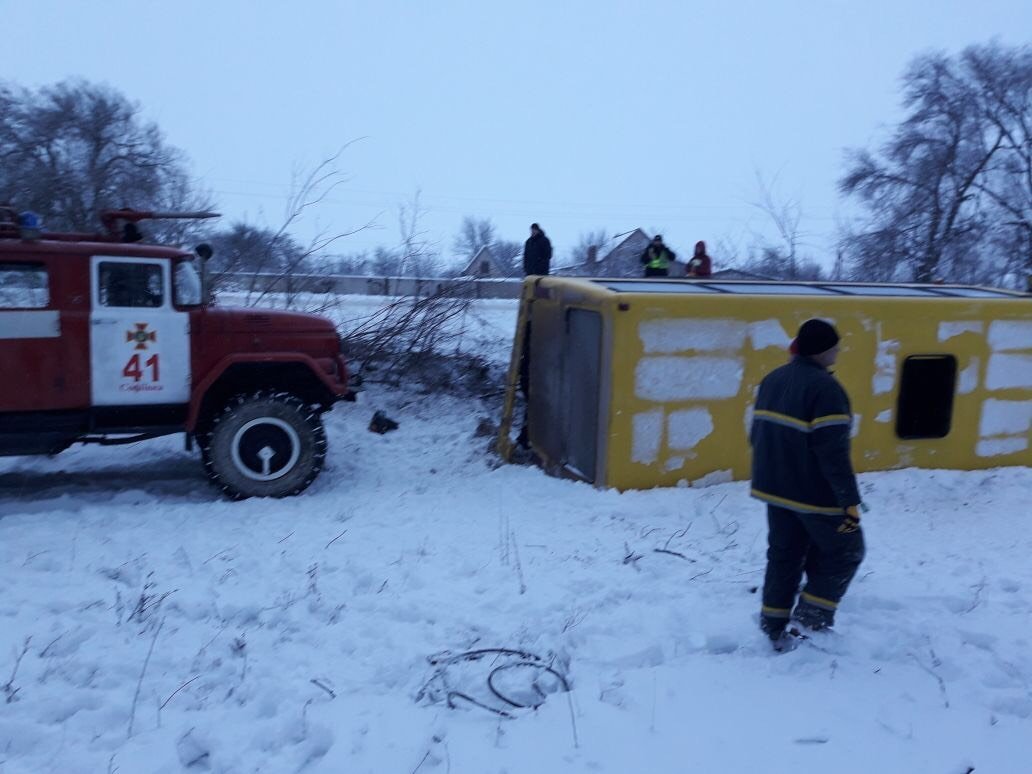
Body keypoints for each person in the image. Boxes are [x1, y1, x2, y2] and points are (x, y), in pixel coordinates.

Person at [749, 319, 865, 648]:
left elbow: (756, 433)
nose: (838, 352)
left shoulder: (774, 379)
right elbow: (832, 451)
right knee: (847, 550)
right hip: (814, 495)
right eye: (835, 347)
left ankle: (772, 622)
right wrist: (848, 501)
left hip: (774, 487)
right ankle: (809, 621)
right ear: (823, 351)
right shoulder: (826, 390)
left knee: (785, 554)